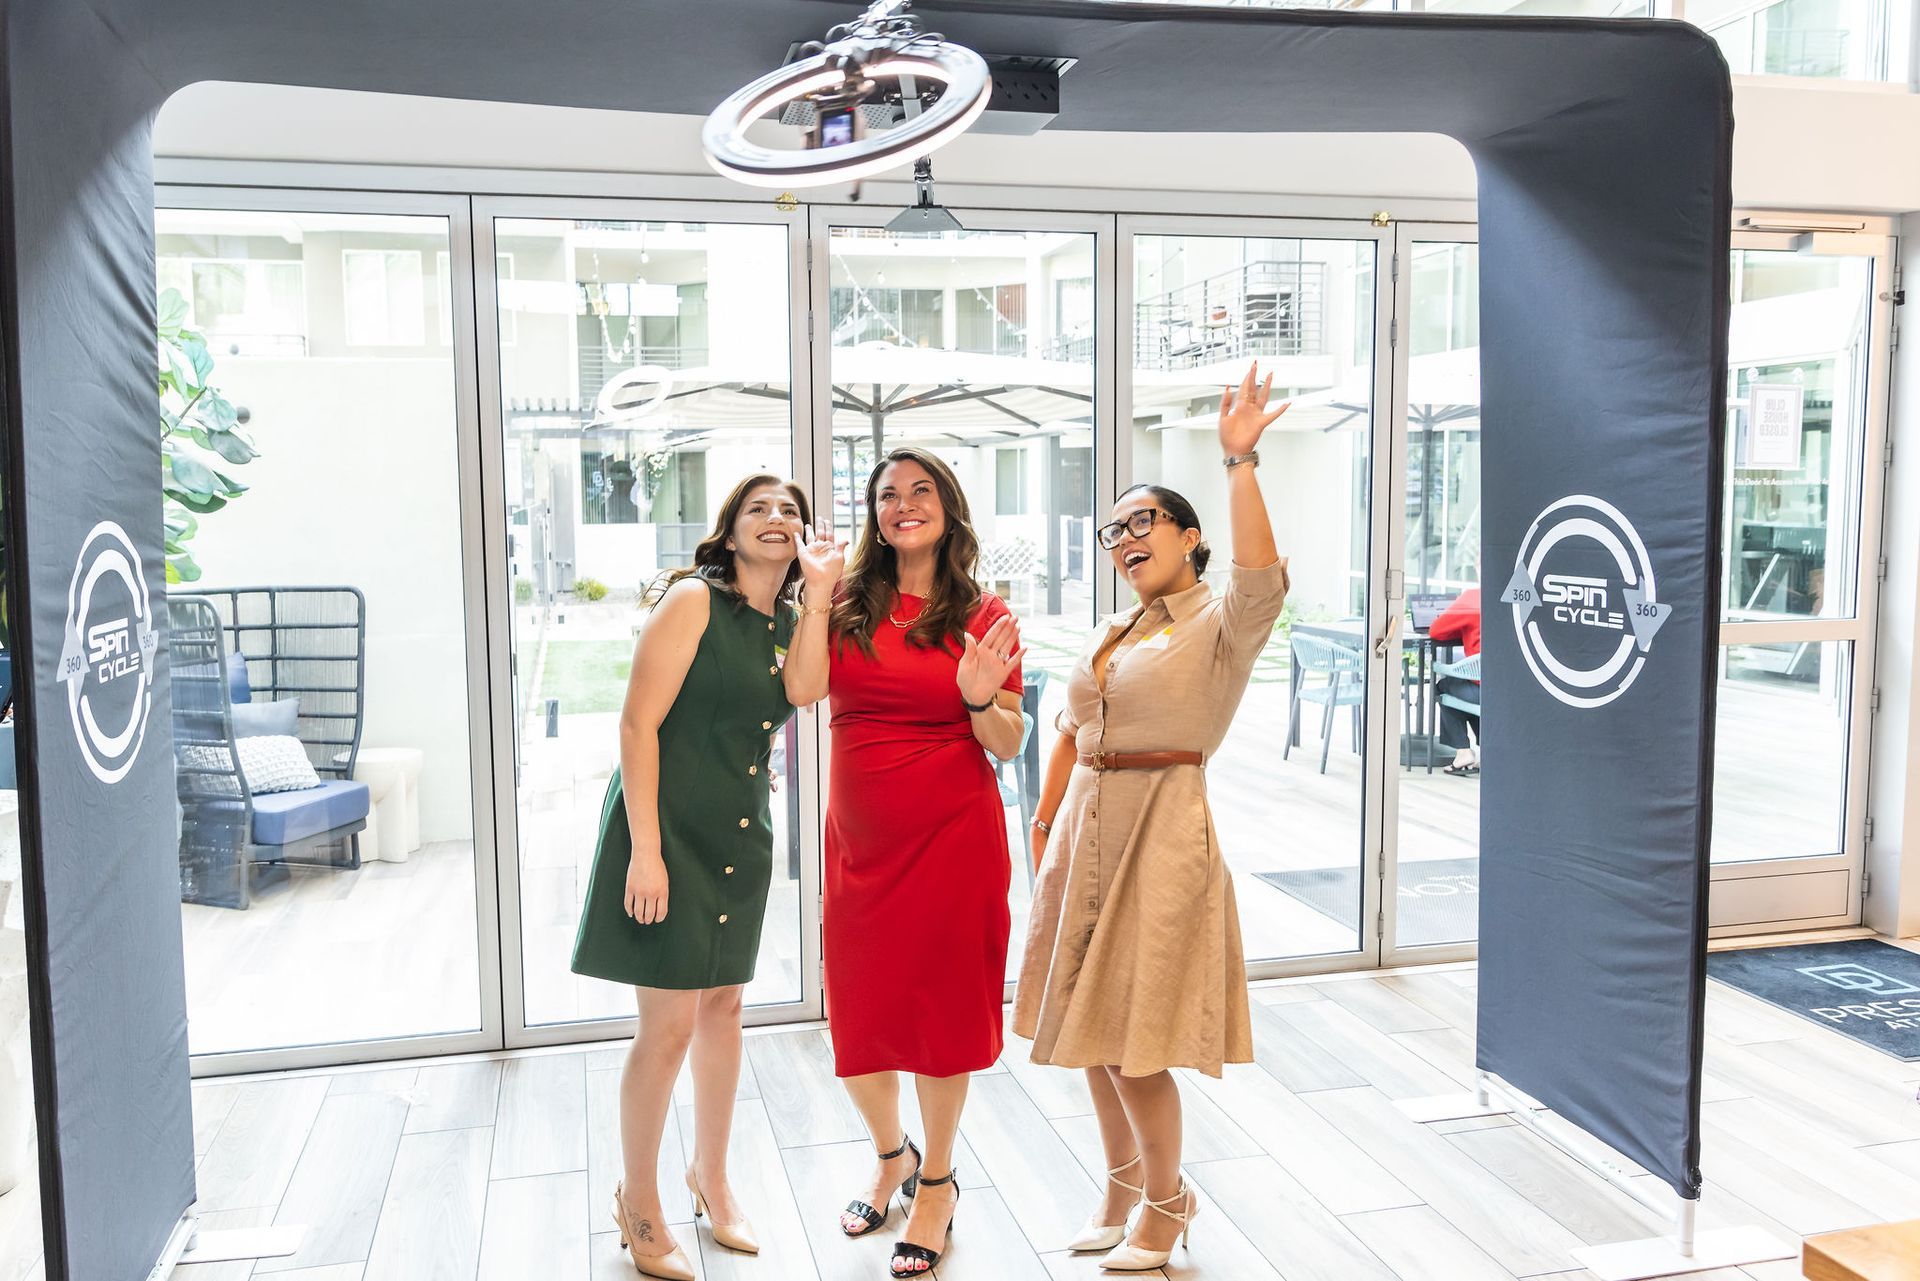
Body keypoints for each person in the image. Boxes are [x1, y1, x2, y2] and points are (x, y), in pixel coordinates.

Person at [1014, 362, 1292, 1273]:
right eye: (1115, 530)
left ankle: (1169, 1205)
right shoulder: (1115, 627)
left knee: (1134, 1040)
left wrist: (1238, 460)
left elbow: (1263, 576)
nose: (1126, 538)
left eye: (1144, 522)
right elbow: (1073, 728)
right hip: (1084, 829)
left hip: (1161, 832)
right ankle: (1122, 1185)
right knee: (1087, 1030)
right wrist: (1043, 823)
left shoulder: (1220, 623)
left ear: (1188, 537)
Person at [782, 447, 1026, 1279]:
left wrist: (978, 696)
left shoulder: (984, 613)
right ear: (876, 516)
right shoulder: (845, 600)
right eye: (888, 494)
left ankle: (937, 1182)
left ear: (948, 508)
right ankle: (892, 1155)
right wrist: (816, 596)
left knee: (942, 1018)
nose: (904, 503)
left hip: (954, 843)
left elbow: (1008, 740)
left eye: (921, 490)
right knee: (859, 1018)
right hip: (862, 847)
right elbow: (803, 690)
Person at [570, 473, 812, 1281]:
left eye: (790, 510)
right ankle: (638, 1200)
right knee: (668, 1025)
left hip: (739, 831)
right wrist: (645, 850)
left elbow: (797, 698)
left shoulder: (790, 620)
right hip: (666, 832)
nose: (775, 517)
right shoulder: (693, 602)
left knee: (724, 1008)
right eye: (758, 508)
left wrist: (822, 593)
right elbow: (637, 723)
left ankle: (711, 1175)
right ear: (729, 529)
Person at [1427, 585, 1482, 776]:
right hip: (1513, 688)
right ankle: (1488, 751)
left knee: (1445, 686)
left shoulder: (1474, 597)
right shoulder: (1516, 598)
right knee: (1465, 687)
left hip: (1483, 691)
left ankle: (1463, 751)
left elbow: (1436, 631)